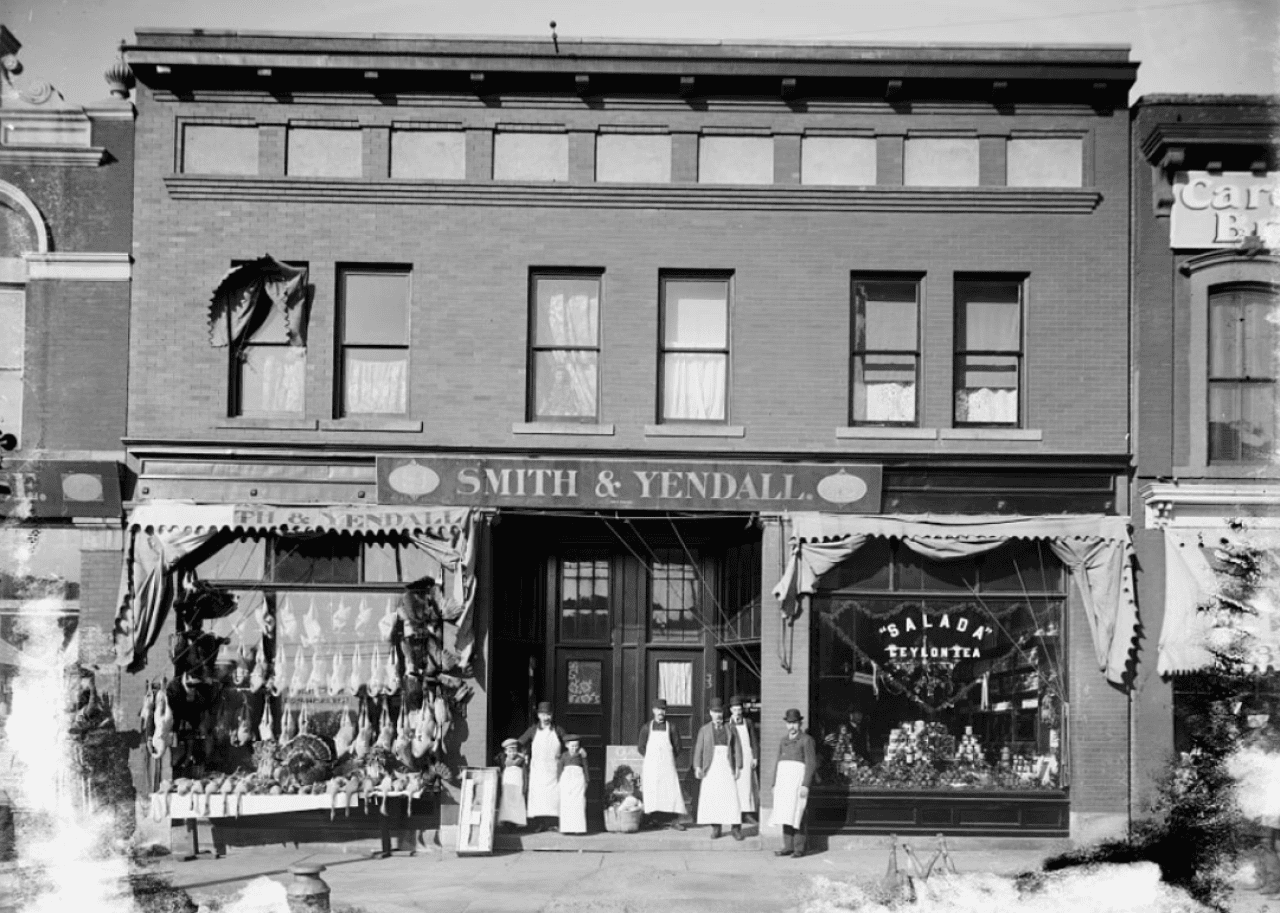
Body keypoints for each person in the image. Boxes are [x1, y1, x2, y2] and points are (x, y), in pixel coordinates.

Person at [692, 697, 743, 840]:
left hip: (727, 765)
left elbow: (737, 748)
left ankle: (736, 828)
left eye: (720, 712)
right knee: (714, 797)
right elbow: (699, 749)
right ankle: (716, 828)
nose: (718, 715)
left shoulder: (730, 728)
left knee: (731, 797)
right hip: (711, 766)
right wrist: (697, 766)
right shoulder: (705, 730)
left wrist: (738, 766)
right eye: (715, 712)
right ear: (710, 713)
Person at [771, 708, 818, 858]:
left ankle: (799, 848)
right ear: (786, 724)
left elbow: (811, 763)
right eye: (789, 723)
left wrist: (805, 784)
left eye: (795, 723)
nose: (792, 726)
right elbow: (778, 762)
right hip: (784, 782)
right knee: (785, 812)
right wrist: (774, 784)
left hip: (798, 782)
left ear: (800, 723)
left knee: (798, 813)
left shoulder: (806, 740)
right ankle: (788, 846)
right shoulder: (783, 741)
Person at [637, 697, 687, 830]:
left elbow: (678, 747)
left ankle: (674, 820)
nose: (661, 712)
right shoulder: (647, 727)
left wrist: (668, 758)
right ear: (653, 711)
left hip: (667, 765)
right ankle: (652, 819)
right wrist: (651, 759)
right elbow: (641, 747)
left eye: (663, 709)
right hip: (652, 766)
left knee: (670, 790)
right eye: (658, 709)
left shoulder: (672, 727)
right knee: (653, 791)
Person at [517, 701, 567, 832]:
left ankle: (552, 823)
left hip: (553, 768)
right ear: (538, 715)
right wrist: (521, 753)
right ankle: (538, 823)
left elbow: (568, 741)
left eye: (548, 715)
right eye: (543, 715)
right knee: (538, 796)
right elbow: (521, 741)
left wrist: (572, 753)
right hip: (538, 768)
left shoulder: (557, 729)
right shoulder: (533, 730)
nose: (546, 718)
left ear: (552, 715)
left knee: (553, 796)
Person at [728, 695, 759, 822]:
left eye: (739, 710)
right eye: (735, 710)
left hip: (746, 757)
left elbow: (754, 741)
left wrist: (755, 757)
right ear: (731, 710)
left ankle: (747, 813)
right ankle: (734, 813)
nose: (737, 712)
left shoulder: (748, 723)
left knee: (746, 786)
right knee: (733, 785)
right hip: (733, 757)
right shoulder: (727, 723)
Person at [557, 734, 589, 835]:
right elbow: (559, 768)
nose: (574, 748)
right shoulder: (564, 756)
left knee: (578, 803)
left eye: (576, 746)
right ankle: (566, 828)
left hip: (578, 780)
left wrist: (587, 780)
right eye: (572, 746)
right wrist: (559, 780)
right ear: (567, 745)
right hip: (566, 780)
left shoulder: (581, 756)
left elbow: (585, 767)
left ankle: (578, 828)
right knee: (566, 803)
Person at [496, 738, 527, 831]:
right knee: (506, 803)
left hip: (517, 785)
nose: (512, 753)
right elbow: (500, 769)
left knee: (516, 803)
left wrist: (525, 787)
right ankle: (506, 823)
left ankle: (515, 824)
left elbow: (525, 775)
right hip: (507, 786)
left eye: (514, 751)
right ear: (506, 751)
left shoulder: (520, 761)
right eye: (510, 751)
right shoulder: (503, 760)